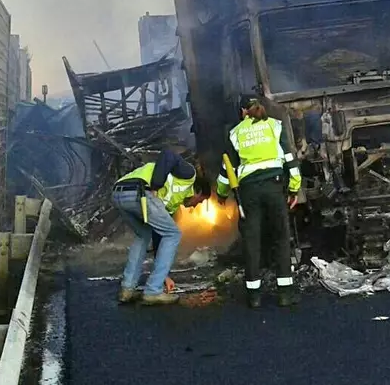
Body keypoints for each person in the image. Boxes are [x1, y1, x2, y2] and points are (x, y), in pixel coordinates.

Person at [218, 94, 301, 308]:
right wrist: (294, 189)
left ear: (242, 111)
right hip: (274, 187)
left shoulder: (235, 133)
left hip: (249, 192)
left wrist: (221, 194)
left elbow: (227, 169)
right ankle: (285, 294)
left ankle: (254, 296)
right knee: (281, 238)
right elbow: (290, 159)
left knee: (252, 241)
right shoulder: (275, 126)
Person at [112, 145, 203, 305]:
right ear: (198, 191)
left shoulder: (173, 204)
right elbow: (168, 153)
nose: (196, 206)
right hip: (141, 192)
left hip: (119, 194)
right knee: (174, 234)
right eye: (200, 200)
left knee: (143, 235)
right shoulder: (189, 175)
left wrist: (164, 276)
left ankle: (127, 289)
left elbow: (158, 238)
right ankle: (153, 291)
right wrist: (155, 186)